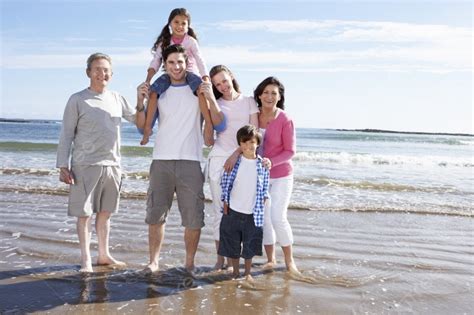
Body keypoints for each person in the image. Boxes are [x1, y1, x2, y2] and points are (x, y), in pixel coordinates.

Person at [136, 44, 224, 273]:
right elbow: (142, 128)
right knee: (156, 214)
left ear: (187, 64)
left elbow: (218, 124)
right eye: (171, 62)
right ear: (165, 65)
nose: (176, 67)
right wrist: (139, 101)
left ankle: (189, 263)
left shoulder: (198, 91)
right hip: (161, 160)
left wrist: (211, 96)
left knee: (194, 218)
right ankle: (153, 261)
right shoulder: (158, 91)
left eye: (180, 62)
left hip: (190, 161)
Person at [56, 52, 143, 273]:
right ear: (88, 72)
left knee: (105, 214)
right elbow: (66, 133)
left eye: (105, 70)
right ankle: (86, 260)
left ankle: (103, 255)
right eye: (97, 69)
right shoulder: (77, 99)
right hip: (84, 165)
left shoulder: (116, 98)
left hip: (112, 166)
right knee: (84, 215)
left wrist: (141, 100)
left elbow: (138, 121)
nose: (101, 73)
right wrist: (62, 165)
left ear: (111, 74)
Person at [206, 65, 259, 270]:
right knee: (221, 212)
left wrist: (237, 153)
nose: (223, 86)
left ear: (232, 77)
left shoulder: (249, 102)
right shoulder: (215, 103)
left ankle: (236, 260)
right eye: (217, 84)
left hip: (243, 160)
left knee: (241, 213)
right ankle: (221, 259)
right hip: (219, 160)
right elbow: (209, 138)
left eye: (224, 81)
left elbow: (254, 134)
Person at [140, 8, 213, 146]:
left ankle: (208, 125)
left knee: (201, 91)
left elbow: (200, 59)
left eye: (184, 23)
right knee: (154, 92)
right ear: (170, 23)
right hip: (170, 74)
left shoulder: (190, 41)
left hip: (189, 72)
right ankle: (148, 128)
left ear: (188, 26)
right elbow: (156, 60)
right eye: (176, 22)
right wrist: (148, 80)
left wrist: (205, 78)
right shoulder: (165, 42)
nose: (180, 26)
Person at [254, 76, 299, 273]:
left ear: (279, 97)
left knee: (278, 217)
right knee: (264, 218)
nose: (269, 96)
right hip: (260, 176)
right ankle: (271, 259)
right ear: (259, 95)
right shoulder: (254, 116)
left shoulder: (285, 119)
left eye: (274, 93)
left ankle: (290, 262)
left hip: (281, 175)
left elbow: (290, 151)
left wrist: (272, 162)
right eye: (266, 92)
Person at [219, 125, 269, 280]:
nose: (248, 146)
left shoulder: (262, 165)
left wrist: (264, 201)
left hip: (252, 213)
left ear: (258, 143)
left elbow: (265, 187)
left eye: (252, 142)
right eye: (244, 143)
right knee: (232, 244)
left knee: (249, 246)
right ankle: (235, 271)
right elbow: (225, 184)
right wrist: (225, 203)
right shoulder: (235, 163)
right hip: (233, 210)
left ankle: (247, 273)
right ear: (240, 145)